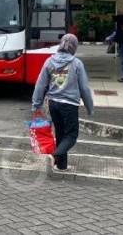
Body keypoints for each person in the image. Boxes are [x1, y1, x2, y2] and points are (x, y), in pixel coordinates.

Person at [32, 34, 94, 172]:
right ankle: (54, 156)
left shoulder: (49, 61)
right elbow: (84, 88)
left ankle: (61, 165)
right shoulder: (76, 63)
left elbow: (40, 85)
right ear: (74, 46)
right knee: (71, 136)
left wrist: (36, 105)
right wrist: (90, 108)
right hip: (69, 104)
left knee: (60, 133)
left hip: (53, 103)